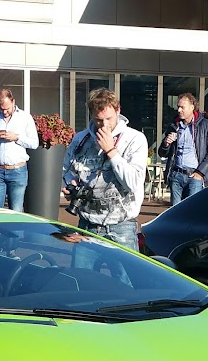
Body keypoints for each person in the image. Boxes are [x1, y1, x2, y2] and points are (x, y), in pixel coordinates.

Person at [60, 87, 147, 251]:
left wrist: (111, 151)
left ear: (118, 110)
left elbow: (134, 183)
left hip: (121, 227)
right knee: (83, 269)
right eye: (99, 120)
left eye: (109, 118)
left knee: (125, 270)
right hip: (87, 225)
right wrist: (70, 185)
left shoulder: (135, 139)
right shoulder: (80, 140)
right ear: (91, 115)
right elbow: (67, 171)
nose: (105, 125)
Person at [0, 88, 38, 211]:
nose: (5, 112)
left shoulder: (25, 117)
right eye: (2, 109)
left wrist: (17, 137)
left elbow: (34, 143)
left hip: (18, 170)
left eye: (7, 108)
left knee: (16, 211)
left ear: (13, 101)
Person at [158, 93, 208, 204]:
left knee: (192, 210)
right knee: (176, 211)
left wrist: (200, 173)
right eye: (178, 107)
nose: (179, 110)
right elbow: (162, 153)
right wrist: (166, 144)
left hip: (194, 175)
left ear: (192, 107)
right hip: (176, 175)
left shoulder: (205, 125)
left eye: (182, 107)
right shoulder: (174, 126)